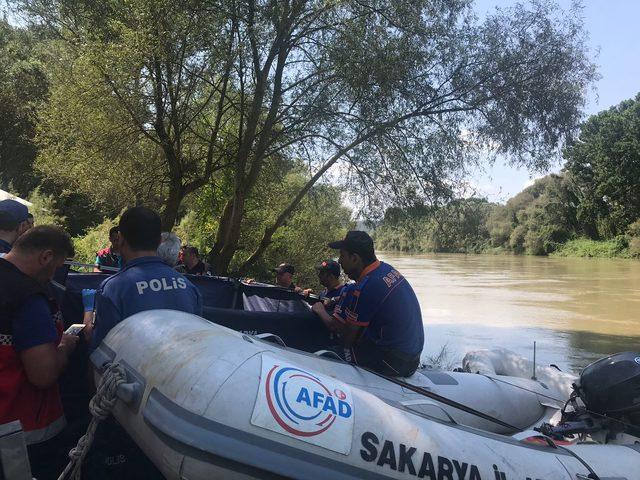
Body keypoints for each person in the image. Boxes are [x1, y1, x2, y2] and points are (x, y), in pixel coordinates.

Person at [0, 225, 79, 478]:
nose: (53, 275)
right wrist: (65, 348)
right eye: (56, 266)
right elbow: (42, 374)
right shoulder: (29, 298)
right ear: (45, 257)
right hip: (19, 435)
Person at [312, 230, 424, 377]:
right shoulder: (385, 269)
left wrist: (320, 311)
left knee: (327, 355)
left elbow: (346, 339)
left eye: (342, 256)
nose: (339, 261)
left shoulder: (367, 286)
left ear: (354, 258)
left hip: (396, 362)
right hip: (412, 355)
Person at [89, 207, 202, 350]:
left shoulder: (112, 290)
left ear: (121, 239)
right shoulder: (189, 287)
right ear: (160, 240)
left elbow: (100, 354)